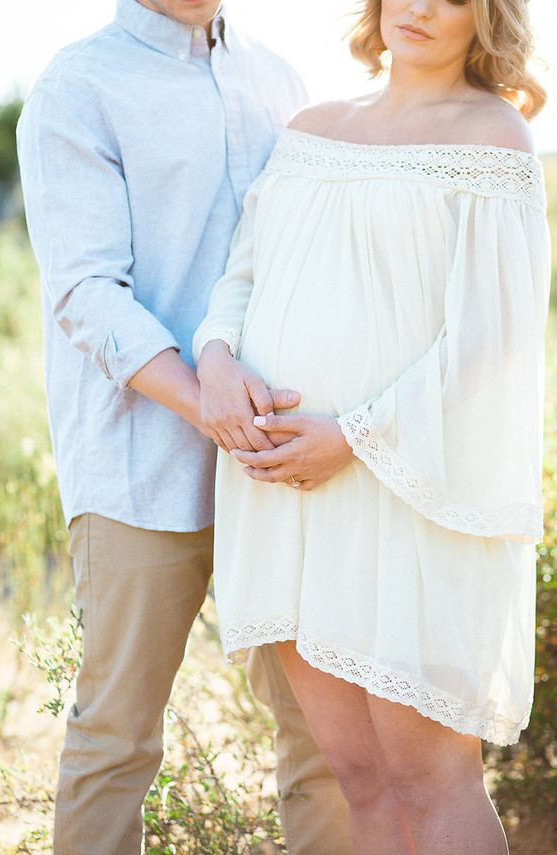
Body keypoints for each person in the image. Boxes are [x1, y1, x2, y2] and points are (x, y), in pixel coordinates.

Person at [193, 0, 551, 852]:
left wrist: (352, 436)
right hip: (287, 491)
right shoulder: (312, 127)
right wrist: (213, 358)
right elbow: (240, 279)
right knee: (355, 774)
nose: (421, 8)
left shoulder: (495, 138)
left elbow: (487, 343)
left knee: (431, 778)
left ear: (488, 18)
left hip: (406, 492)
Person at [16, 1, 355, 853]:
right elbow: (85, 292)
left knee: (325, 737)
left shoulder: (279, 79)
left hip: (281, 466)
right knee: (118, 737)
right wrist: (203, 394)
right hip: (142, 465)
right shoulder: (77, 86)